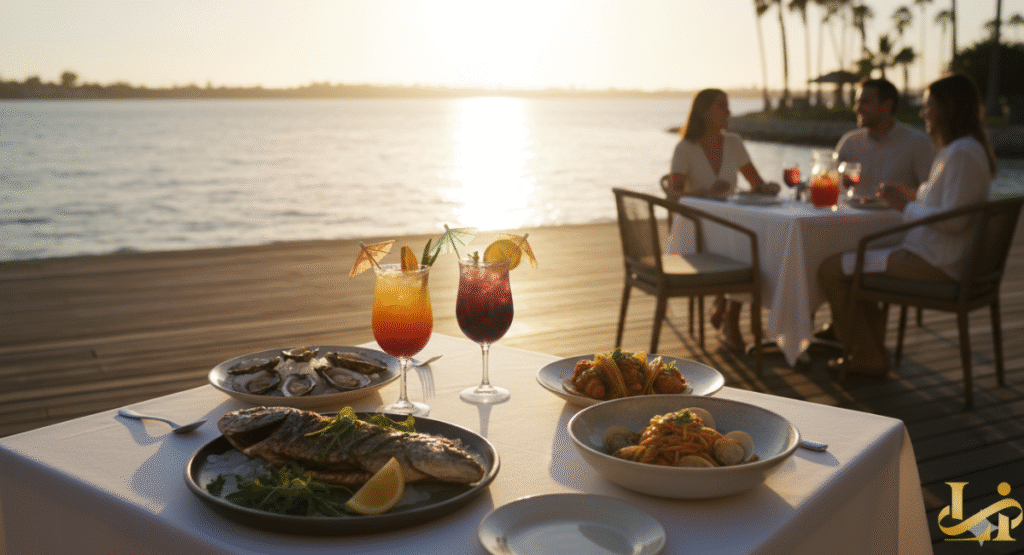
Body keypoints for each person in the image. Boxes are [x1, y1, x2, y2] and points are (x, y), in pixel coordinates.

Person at [817, 73, 997, 375]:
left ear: (946, 109)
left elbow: (954, 222)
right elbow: (947, 205)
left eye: (928, 107)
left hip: (934, 262)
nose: (922, 113)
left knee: (832, 270)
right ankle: (871, 351)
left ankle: (867, 357)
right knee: (850, 265)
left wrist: (906, 205)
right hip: (934, 255)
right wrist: (911, 195)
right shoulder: (963, 150)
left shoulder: (961, 154)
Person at [666, 88, 779, 352]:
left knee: (754, 245)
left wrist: (767, 188)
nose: (728, 112)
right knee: (746, 248)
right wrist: (705, 192)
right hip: (697, 230)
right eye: (721, 106)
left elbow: (756, 183)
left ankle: (727, 311)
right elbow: (673, 196)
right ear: (705, 113)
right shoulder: (685, 147)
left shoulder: (734, 143)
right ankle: (730, 317)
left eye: (727, 106)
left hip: (730, 225)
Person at [835, 78, 935, 199]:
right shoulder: (849, 142)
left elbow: (931, 194)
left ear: (887, 105)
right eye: (857, 102)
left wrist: (904, 195)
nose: (857, 108)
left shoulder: (918, 143)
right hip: (850, 217)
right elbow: (831, 183)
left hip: (899, 217)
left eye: (865, 102)